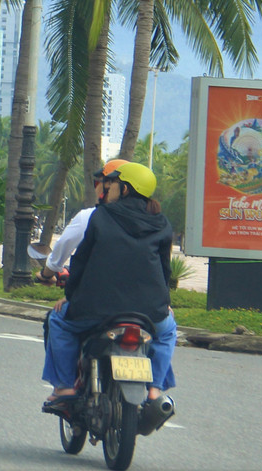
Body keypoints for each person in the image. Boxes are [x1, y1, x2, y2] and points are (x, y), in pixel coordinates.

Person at [42, 161, 177, 430]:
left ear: (124, 189)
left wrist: (70, 295)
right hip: (149, 312)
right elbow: (164, 269)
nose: (107, 186)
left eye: (112, 182)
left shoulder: (100, 216)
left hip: (96, 309)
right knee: (167, 332)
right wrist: (165, 304)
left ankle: (65, 388)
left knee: (58, 322)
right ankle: (154, 390)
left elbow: (80, 261)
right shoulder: (161, 223)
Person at [39, 157, 128, 284]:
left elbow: (63, 246)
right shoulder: (153, 222)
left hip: (99, 293)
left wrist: (46, 274)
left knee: (64, 304)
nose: (96, 189)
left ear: (110, 186)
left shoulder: (90, 217)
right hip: (144, 298)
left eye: (98, 184)